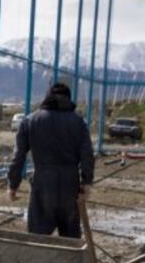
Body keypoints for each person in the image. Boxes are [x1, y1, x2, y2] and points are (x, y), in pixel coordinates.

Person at [6, 82, 94, 238]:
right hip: (70, 183)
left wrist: (13, 185)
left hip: (42, 183)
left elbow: (18, 156)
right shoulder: (78, 122)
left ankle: (41, 261)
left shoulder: (30, 121)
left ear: (47, 97)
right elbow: (87, 154)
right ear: (68, 98)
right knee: (70, 237)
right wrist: (86, 182)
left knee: (38, 236)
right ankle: (68, 262)